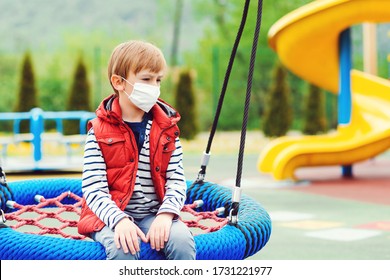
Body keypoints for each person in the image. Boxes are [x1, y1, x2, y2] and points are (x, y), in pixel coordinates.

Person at [78, 40, 196, 260]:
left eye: (158, 80)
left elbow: (176, 181)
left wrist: (166, 215)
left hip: (154, 214)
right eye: (145, 79)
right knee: (123, 247)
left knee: (182, 241)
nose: (154, 87)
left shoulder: (167, 129)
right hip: (109, 217)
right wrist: (120, 220)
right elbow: (94, 190)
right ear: (118, 82)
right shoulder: (99, 131)